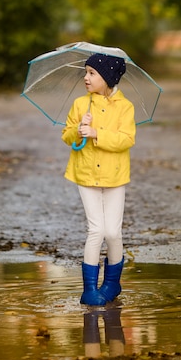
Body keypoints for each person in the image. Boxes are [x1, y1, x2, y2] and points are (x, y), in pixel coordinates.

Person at [62, 53, 136, 306]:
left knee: (113, 232)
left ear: (108, 78)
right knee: (96, 230)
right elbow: (67, 136)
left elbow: (126, 139)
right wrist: (78, 129)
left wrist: (96, 133)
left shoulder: (125, 107)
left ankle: (113, 282)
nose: (86, 77)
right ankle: (89, 289)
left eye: (92, 73)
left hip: (114, 177)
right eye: (86, 72)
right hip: (86, 174)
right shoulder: (80, 105)